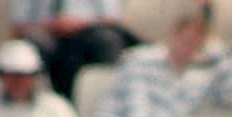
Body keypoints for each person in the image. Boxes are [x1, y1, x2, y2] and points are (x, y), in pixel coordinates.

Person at [92, 2, 232, 117]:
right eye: (185, 39)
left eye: (195, 43)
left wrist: (221, 55)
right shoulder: (141, 59)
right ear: (172, 36)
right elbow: (138, 112)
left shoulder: (200, 75)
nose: (187, 47)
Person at [10, 0, 138, 99]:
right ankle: (38, 103)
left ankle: (105, 101)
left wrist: (77, 23)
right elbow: (18, 26)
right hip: (47, 33)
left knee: (107, 40)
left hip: (89, 31)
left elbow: (112, 18)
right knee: (32, 45)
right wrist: (52, 24)